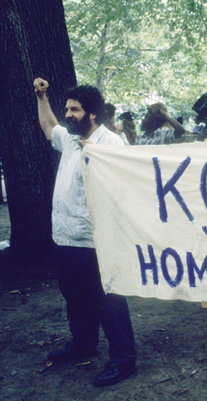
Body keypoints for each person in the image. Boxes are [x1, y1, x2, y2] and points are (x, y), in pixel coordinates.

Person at [33, 78, 137, 387]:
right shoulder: (69, 138)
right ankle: (83, 344)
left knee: (107, 300)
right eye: (67, 109)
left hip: (96, 240)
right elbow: (49, 126)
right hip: (65, 236)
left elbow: (126, 186)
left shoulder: (112, 144)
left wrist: (98, 158)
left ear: (92, 113)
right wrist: (43, 96)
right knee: (74, 295)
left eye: (74, 110)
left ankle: (124, 358)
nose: (68, 114)